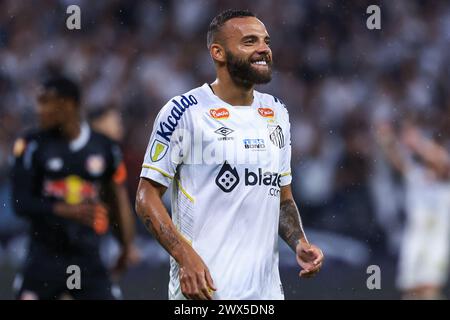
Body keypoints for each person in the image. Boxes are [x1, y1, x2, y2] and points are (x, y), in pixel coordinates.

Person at [135, 9, 324, 300]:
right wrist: (185, 256)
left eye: (266, 41)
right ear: (218, 52)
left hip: (266, 296)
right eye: (250, 41)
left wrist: (299, 241)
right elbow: (146, 198)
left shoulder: (276, 112)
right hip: (205, 292)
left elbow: (282, 198)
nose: (264, 49)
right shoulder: (185, 112)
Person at [10, 76, 136, 300]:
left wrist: (125, 246)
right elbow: (20, 202)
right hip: (44, 258)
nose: (40, 110)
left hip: (85, 259)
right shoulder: (31, 145)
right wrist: (64, 210)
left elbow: (116, 200)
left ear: (68, 105)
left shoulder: (105, 148)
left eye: (46, 102)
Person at [376, 121, 450, 299]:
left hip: (436, 242)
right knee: (410, 290)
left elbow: (443, 164)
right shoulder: (416, 176)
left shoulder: (445, 181)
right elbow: (397, 161)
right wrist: (387, 140)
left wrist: (418, 143)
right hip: (414, 241)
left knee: (430, 288)